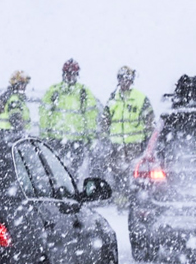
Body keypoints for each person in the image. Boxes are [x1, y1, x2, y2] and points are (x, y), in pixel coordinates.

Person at [99, 66, 155, 197]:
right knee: (118, 173)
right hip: (116, 146)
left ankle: (132, 197)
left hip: (135, 145)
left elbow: (150, 120)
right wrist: (104, 138)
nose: (124, 82)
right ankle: (120, 199)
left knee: (133, 173)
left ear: (131, 81)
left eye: (127, 79)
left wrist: (147, 140)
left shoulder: (140, 98)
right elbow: (104, 120)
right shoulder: (112, 100)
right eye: (122, 79)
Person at [39, 59, 99, 173]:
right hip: (56, 140)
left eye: (73, 73)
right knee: (55, 172)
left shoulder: (84, 92)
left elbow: (90, 116)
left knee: (72, 173)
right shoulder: (54, 91)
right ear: (63, 74)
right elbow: (44, 114)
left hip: (76, 142)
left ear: (77, 75)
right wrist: (44, 135)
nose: (70, 76)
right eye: (68, 73)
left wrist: (91, 137)